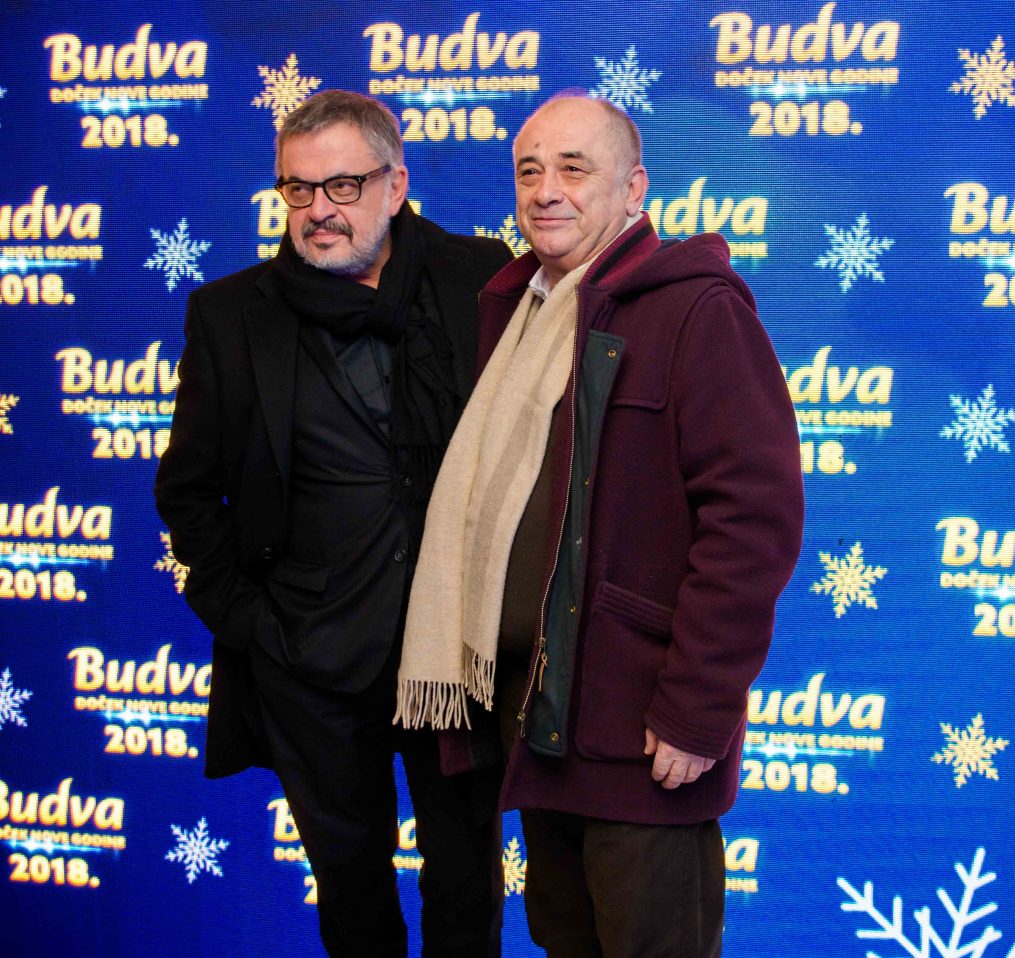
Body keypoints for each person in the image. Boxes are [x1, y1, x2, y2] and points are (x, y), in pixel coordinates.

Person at [395, 94, 804, 957]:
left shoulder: (697, 311)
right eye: (529, 170)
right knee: (565, 943)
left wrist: (696, 711)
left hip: (642, 735)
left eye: (574, 169)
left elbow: (753, 526)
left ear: (634, 188)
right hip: (537, 725)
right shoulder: (520, 312)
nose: (546, 190)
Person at [154, 90, 511, 958]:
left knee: (466, 883)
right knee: (351, 893)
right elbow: (188, 492)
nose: (319, 210)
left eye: (343, 186)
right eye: (298, 189)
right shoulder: (230, 315)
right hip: (310, 658)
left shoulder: (479, 276)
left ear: (396, 185)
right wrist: (252, 624)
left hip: (454, 651)